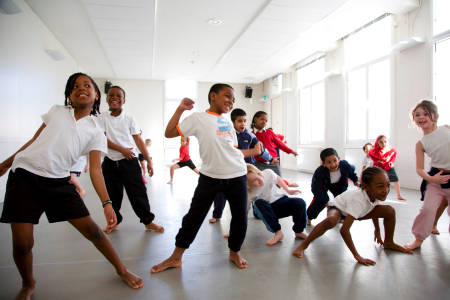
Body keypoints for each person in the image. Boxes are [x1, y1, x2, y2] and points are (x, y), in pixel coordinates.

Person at [0, 73, 144, 299]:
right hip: (25, 176)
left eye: (87, 85)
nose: (81, 88)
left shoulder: (96, 130)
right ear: (69, 95)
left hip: (58, 181)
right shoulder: (57, 111)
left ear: (96, 95)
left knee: (94, 232)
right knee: (22, 244)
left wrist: (107, 203)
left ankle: (122, 269)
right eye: (75, 86)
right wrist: (6, 164)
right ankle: (28, 283)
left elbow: (96, 169)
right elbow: (34, 141)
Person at [151, 83, 249, 273]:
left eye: (233, 99)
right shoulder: (197, 118)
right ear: (213, 96)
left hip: (237, 175)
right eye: (227, 96)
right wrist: (180, 110)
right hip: (210, 177)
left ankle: (234, 252)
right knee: (193, 217)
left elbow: (233, 150)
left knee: (240, 218)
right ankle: (176, 257)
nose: (231, 101)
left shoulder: (228, 122)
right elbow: (169, 133)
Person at [293, 167, 413, 265]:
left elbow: (373, 207)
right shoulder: (358, 200)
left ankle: (389, 242)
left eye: (387, 185)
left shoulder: (374, 194)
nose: (386, 190)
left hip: (359, 211)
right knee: (331, 221)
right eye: (381, 186)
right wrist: (357, 256)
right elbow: (344, 230)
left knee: (389, 211)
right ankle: (303, 245)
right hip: (339, 208)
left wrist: (377, 229)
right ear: (366, 186)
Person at [97, 85, 163, 234]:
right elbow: (101, 138)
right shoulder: (102, 118)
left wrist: (149, 161)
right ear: (107, 99)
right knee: (113, 195)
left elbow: (139, 141)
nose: (114, 98)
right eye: (111, 95)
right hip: (110, 163)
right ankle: (114, 222)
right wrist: (121, 149)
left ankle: (148, 221)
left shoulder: (129, 119)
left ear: (124, 100)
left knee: (138, 193)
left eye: (118, 96)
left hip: (130, 162)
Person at [209, 108, 270, 223]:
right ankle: (217, 215)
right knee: (221, 192)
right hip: (229, 169)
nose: (243, 124)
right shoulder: (226, 134)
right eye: (239, 121)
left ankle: (258, 213)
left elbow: (261, 149)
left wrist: (270, 159)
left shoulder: (250, 135)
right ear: (232, 122)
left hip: (247, 169)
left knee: (253, 191)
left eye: (244, 121)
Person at [405, 100, 450, 250]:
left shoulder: (446, 128)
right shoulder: (421, 144)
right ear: (414, 120)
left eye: (425, 113)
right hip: (436, 180)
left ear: (435, 116)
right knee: (427, 210)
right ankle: (418, 239)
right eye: (417, 115)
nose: (421, 117)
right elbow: (420, 169)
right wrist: (432, 179)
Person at [246, 164, 308, 246]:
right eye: (255, 181)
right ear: (248, 185)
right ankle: (278, 233)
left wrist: (288, 190)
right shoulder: (249, 193)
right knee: (259, 203)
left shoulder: (267, 173)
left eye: (259, 174)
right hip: (265, 209)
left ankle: (299, 231)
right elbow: (243, 211)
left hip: (280, 202)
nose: (260, 180)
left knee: (300, 202)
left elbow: (278, 179)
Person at [306, 148, 359, 226]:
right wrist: (325, 201)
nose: (333, 164)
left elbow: (351, 172)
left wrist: (355, 180)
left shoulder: (344, 165)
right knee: (320, 200)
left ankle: (342, 216)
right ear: (323, 164)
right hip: (325, 184)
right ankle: (308, 216)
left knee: (342, 199)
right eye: (329, 162)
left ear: (339, 159)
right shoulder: (320, 172)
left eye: (335, 160)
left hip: (340, 184)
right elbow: (316, 188)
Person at [251, 111, 297, 176]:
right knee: (262, 183)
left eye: (266, 120)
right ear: (255, 119)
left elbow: (280, 143)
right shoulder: (251, 135)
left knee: (279, 183)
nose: (264, 122)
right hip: (259, 164)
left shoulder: (269, 132)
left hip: (274, 162)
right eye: (262, 119)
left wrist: (291, 151)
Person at [369, 135, 406, 200]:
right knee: (376, 180)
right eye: (381, 142)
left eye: (385, 142)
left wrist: (392, 162)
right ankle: (373, 194)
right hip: (378, 167)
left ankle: (399, 195)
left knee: (395, 180)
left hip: (388, 166)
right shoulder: (374, 150)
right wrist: (377, 161)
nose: (383, 144)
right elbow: (371, 155)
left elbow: (393, 155)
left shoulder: (390, 149)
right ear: (377, 143)